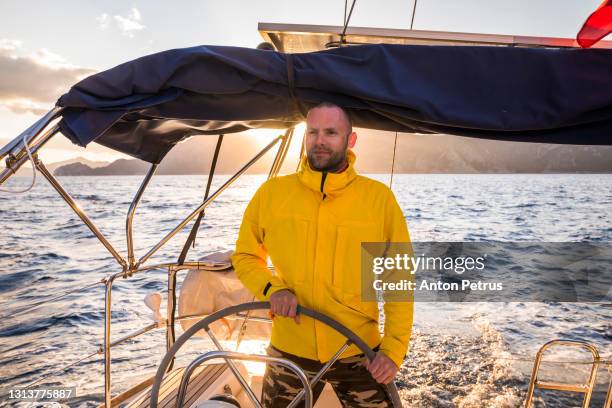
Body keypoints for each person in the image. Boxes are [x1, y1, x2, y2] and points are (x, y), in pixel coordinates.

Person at [231, 102, 413, 407]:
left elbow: (399, 278)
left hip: (357, 350)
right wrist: (273, 288)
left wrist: (393, 349)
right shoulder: (271, 194)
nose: (320, 140)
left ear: (350, 140)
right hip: (289, 348)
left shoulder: (379, 199)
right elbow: (246, 256)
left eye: (331, 132)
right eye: (313, 132)